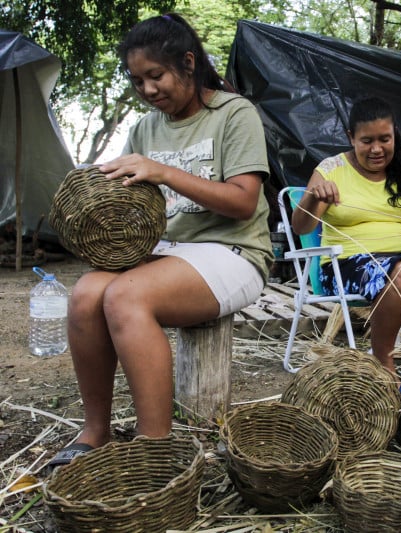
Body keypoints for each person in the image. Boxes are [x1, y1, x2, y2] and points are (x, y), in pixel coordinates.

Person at [47, 13, 272, 468]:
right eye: (137, 81)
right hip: (167, 251)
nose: (148, 90)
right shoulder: (145, 129)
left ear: (188, 63)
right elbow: (137, 207)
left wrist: (165, 171)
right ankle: (96, 431)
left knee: (125, 299)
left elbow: (245, 202)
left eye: (156, 76)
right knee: (87, 293)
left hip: (234, 252)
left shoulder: (234, 114)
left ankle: (156, 449)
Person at [291, 96, 401, 386]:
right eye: (367, 141)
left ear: (395, 136)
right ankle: (382, 363)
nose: (377, 149)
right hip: (343, 267)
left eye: (385, 139)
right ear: (351, 137)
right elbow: (301, 225)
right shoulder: (331, 169)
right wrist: (312, 196)